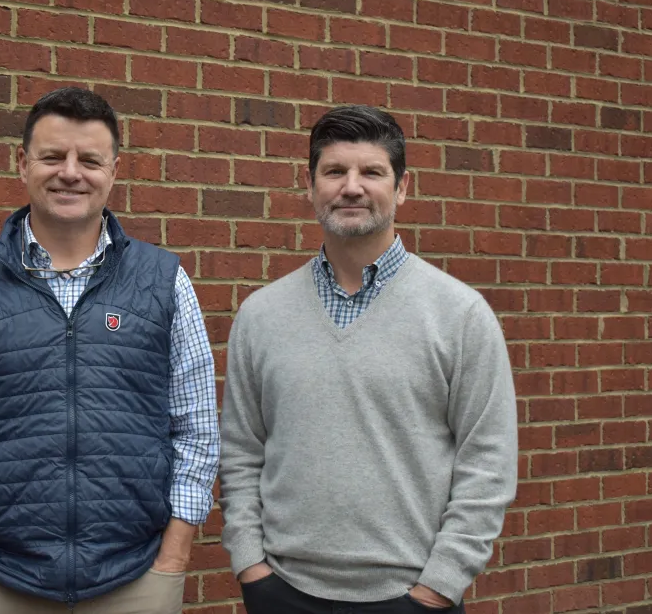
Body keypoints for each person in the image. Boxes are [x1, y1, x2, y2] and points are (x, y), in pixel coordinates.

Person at [0, 87, 219, 614]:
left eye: (89, 160)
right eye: (53, 156)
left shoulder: (164, 281)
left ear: (114, 171)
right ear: (22, 164)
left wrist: (175, 555)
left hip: (137, 576)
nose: (70, 173)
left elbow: (197, 426)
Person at [219, 105, 518, 614]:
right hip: (283, 593)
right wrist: (250, 565)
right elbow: (241, 451)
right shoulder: (261, 315)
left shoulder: (459, 314)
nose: (351, 187)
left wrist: (439, 586)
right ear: (310, 185)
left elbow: (487, 462)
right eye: (334, 171)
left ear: (402, 188)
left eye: (372, 172)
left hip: (412, 597)